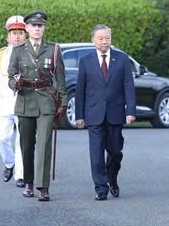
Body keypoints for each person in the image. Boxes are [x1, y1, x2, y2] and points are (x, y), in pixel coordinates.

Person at [8, 11, 67, 202]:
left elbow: (61, 80)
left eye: (40, 26)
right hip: (25, 101)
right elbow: (10, 76)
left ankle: (43, 187)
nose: (37, 29)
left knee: (43, 145)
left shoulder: (54, 49)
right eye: (33, 25)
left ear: (44, 28)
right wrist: (14, 83)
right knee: (26, 145)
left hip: (46, 101)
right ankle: (28, 183)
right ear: (27, 28)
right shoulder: (18, 51)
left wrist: (63, 103)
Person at [75, 24, 136, 201]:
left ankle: (111, 178)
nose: (104, 41)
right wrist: (79, 116)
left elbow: (128, 86)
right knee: (96, 155)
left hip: (115, 113)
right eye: (100, 38)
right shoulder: (85, 61)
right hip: (93, 115)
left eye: (107, 38)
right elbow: (80, 90)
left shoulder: (122, 59)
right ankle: (101, 188)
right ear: (93, 40)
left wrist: (130, 111)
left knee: (116, 152)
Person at [0, 15, 27, 188]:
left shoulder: (30, 53)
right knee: (2, 138)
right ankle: (9, 163)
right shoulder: (0, 54)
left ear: (25, 35)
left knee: (22, 140)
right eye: (13, 33)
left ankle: (20, 174)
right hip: (4, 102)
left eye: (20, 32)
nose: (17, 36)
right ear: (7, 36)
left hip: (25, 101)